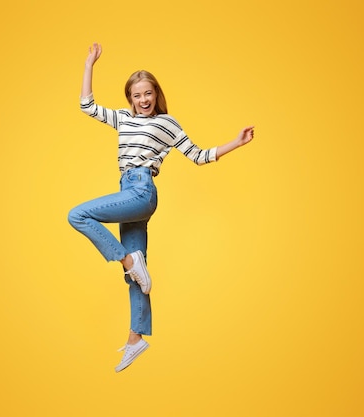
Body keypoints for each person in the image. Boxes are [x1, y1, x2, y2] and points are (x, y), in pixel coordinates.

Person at [68, 43, 254, 372]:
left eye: (148, 93)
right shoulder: (123, 118)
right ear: (130, 98)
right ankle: (135, 338)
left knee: (79, 215)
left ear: (156, 94)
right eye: (137, 95)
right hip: (126, 188)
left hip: (142, 190)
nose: (143, 100)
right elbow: (87, 106)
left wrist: (235, 143)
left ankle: (128, 259)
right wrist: (88, 65)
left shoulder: (167, 123)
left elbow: (198, 156)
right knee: (138, 277)